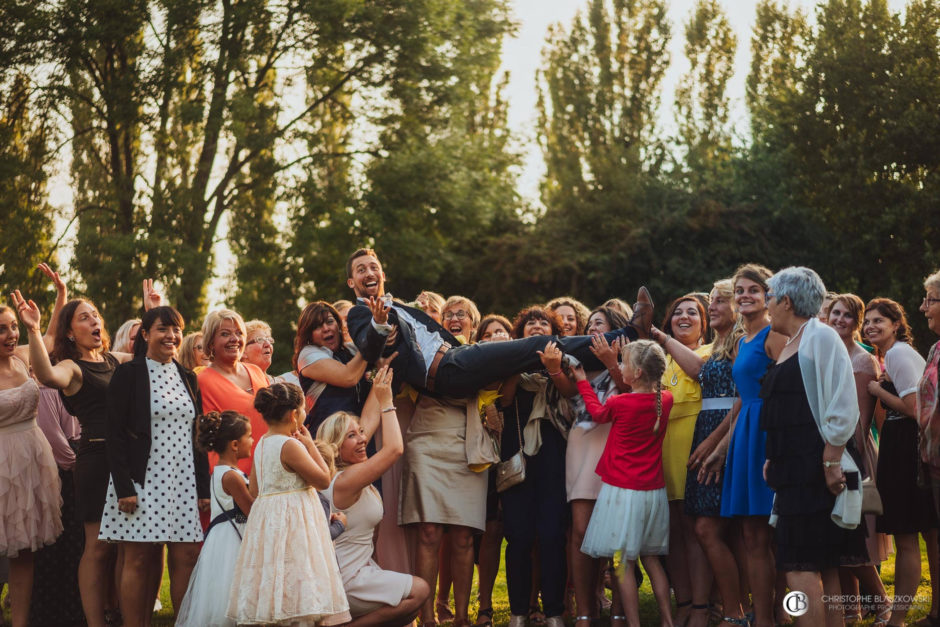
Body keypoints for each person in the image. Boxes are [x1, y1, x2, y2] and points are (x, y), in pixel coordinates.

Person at [19, 279, 158, 627]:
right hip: (96, 460)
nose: (95, 321)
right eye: (84, 317)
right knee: (98, 547)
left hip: (127, 461)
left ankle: (125, 618)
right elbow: (48, 375)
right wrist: (35, 330)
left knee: (126, 544)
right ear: (69, 331)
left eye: (96, 316)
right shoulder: (73, 367)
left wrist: (153, 309)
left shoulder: (114, 360)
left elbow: (151, 358)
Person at [343, 248, 653, 399]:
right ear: (351, 281)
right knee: (533, 346)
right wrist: (380, 326)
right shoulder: (360, 314)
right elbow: (369, 349)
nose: (369, 273)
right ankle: (627, 334)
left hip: (456, 359)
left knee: (530, 358)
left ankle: (621, 352)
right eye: (361, 269)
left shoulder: (398, 305)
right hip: (444, 371)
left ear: (383, 275)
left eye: (374, 267)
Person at [761, 267, 868, 625]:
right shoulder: (793, 342)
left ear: (786, 301)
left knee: (799, 570)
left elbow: (843, 401)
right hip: (792, 467)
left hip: (813, 468)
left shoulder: (820, 336)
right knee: (822, 565)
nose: (767, 305)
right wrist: (773, 457)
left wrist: (830, 461)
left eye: (769, 297)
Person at [98, 306, 209, 625]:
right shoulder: (129, 374)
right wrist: (123, 487)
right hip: (141, 480)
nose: (172, 336)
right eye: (163, 329)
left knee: (187, 554)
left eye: (177, 329)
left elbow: (197, 435)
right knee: (139, 558)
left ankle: (185, 622)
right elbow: (114, 434)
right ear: (146, 334)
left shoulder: (188, 376)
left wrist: (203, 488)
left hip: (182, 480)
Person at [660, 279, 749, 627]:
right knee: (712, 528)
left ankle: (739, 610)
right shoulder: (720, 345)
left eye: (718, 301)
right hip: (709, 432)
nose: (711, 306)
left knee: (729, 531)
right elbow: (698, 373)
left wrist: (716, 442)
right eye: (710, 301)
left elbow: (747, 396)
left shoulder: (742, 343)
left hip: (727, 434)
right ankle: (734, 610)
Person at [703, 264, 785, 627]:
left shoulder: (775, 335)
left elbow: (790, 388)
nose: (745, 295)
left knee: (776, 535)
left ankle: (782, 615)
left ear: (769, 296)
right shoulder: (741, 342)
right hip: (746, 434)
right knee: (751, 533)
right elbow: (742, 398)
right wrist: (723, 447)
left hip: (771, 432)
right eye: (740, 290)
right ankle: (763, 617)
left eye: (754, 289)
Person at [227, 382, 350, 626]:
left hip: (271, 524)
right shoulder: (291, 445)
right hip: (296, 525)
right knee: (299, 578)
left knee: (279, 581)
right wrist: (309, 445)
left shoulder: (262, 443)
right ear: (295, 415)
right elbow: (324, 480)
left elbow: (254, 489)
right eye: (303, 409)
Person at [319, 366, 431, 626]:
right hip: (346, 578)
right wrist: (387, 402)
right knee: (420, 590)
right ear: (335, 449)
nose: (362, 439)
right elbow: (393, 449)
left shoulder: (357, 473)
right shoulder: (344, 481)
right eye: (351, 436)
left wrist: (379, 387)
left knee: (406, 615)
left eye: (360, 432)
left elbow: (368, 422)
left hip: (362, 569)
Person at [575, 340, 675, 627]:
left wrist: (583, 382)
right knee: (652, 558)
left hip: (623, 490)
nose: (619, 368)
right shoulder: (665, 400)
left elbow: (597, 413)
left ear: (638, 373)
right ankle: (667, 622)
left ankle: (633, 624)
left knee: (623, 564)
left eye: (623, 364)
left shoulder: (620, 402)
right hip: (653, 491)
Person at [500, 307, 575, 627]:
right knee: (517, 536)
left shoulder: (567, 363)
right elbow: (504, 400)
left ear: (554, 332)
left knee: (552, 535)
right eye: (530, 322)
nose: (536, 325)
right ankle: (518, 612)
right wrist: (518, 363)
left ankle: (554, 611)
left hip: (554, 458)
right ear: (520, 332)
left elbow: (572, 396)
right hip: (517, 456)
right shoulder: (506, 362)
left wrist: (553, 368)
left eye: (543, 322)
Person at [865, 298, 935, 626]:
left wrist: (876, 389)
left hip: (906, 449)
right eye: (867, 322)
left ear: (896, 324)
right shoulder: (891, 354)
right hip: (899, 446)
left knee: (907, 537)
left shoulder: (897, 353)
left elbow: (912, 407)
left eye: (879, 321)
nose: (870, 327)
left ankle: (898, 619)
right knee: (917, 535)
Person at [828, 294, 891, 624]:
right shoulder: (826, 353)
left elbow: (860, 422)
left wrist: (838, 458)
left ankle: (882, 602)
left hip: (852, 453)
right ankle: (849, 610)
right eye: (835, 313)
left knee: (854, 538)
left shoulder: (861, 360)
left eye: (847, 315)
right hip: (829, 449)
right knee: (837, 537)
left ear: (857, 321)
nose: (839, 319)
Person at [565, 306, 629, 626]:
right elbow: (573, 402)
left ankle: (619, 609)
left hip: (616, 445)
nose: (591, 329)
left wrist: (611, 363)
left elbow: (633, 394)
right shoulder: (577, 365)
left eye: (599, 324)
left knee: (616, 534)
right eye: (588, 324)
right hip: (581, 444)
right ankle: (585, 609)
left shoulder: (628, 360)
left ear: (616, 331)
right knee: (580, 531)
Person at [0, 304, 63, 627]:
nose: (11, 334)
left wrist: (60, 296)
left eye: (13, 327)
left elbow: (50, 339)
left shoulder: (24, 357)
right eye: (3, 329)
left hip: (33, 460)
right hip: (1, 465)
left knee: (24, 548)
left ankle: (20, 623)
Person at [651, 295, 712, 627]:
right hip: (662, 449)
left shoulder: (708, 352)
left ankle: (703, 606)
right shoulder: (659, 358)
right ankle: (684, 601)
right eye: (677, 312)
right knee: (671, 530)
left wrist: (664, 340)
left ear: (704, 323)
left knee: (696, 529)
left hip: (695, 443)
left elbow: (701, 373)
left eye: (693, 312)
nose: (684, 316)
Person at [177, 410, 254, 627]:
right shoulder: (231, 477)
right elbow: (252, 511)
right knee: (232, 591)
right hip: (233, 539)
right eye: (249, 436)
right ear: (235, 445)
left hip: (222, 537)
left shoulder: (221, 471)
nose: (253, 440)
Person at [29, 380, 85, 627]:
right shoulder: (47, 391)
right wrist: (75, 463)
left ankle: (73, 610)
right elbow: (54, 437)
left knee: (76, 545)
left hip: (75, 464)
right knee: (53, 545)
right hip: (59, 472)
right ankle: (49, 613)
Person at [197, 309, 269, 474]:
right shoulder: (204, 381)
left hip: (272, 473)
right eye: (225, 334)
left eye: (239, 333)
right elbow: (208, 440)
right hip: (236, 479)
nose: (234, 339)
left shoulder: (256, 371)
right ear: (210, 343)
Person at [294, 301, 371, 432]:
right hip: (329, 440)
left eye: (330, 322)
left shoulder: (350, 351)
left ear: (339, 325)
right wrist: (374, 336)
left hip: (359, 434)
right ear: (309, 335)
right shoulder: (307, 354)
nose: (326, 328)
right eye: (317, 327)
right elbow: (349, 377)